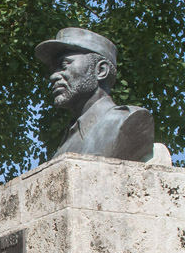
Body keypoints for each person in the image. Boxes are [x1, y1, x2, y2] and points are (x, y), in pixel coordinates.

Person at [35, 27, 154, 161]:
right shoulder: (65, 143)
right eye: (53, 69)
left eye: (64, 65)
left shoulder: (127, 121)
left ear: (101, 70)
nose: (53, 76)